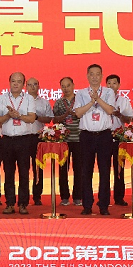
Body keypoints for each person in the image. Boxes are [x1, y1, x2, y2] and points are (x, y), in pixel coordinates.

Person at [73, 64, 117, 215]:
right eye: (91, 74)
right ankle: (87, 205)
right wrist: (92, 102)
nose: (94, 77)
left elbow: (110, 110)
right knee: (86, 171)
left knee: (105, 171)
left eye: (97, 74)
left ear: (102, 76)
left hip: (104, 135)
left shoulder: (109, 92)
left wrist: (98, 98)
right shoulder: (81, 93)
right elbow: (78, 113)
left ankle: (103, 205)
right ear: (87, 76)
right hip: (87, 136)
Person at [0, 72, 37, 215]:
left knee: (24, 173)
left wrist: (19, 116)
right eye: (13, 81)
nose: (16, 84)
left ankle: (23, 204)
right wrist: (8, 115)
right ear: (9, 82)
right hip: (7, 140)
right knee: (8, 173)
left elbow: (32, 118)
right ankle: (10, 203)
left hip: (24, 140)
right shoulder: (2, 99)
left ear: (23, 84)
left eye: (19, 81)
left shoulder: (29, 99)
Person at [52, 77, 81, 206]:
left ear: (73, 85)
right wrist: (64, 116)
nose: (66, 88)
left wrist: (76, 114)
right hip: (64, 140)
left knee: (79, 169)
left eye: (68, 85)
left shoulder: (80, 100)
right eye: (63, 86)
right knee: (63, 169)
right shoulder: (59, 102)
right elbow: (54, 120)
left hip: (79, 139)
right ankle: (64, 197)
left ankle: (78, 196)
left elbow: (86, 115)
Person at [106, 75, 133, 206]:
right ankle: (104, 198)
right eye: (109, 83)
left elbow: (128, 120)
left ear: (119, 85)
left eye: (114, 83)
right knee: (104, 168)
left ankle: (119, 197)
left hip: (119, 137)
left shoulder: (123, 101)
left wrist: (119, 115)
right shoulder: (101, 100)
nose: (111, 86)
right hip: (104, 136)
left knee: (119, 169)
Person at [27, 77, 53, 206]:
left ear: (39, 86)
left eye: (35, 84)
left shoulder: (44, 102)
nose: (32, 87)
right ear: (26, 87)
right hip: (23, 137)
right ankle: (23, 196)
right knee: (23, 168)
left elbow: (49, 119)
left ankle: (37, 196)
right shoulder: (22, 101)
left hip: (38, 138)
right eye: (30, 84)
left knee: (38, 168)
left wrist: (37, 117)